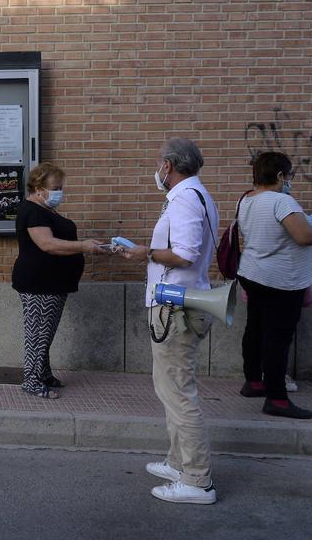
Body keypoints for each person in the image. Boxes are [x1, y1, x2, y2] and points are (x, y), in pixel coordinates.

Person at [120, 138, 219, 505]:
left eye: (160, 163)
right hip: (178, 303)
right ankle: (179, 463)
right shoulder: (196, 196)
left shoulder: (184, 199)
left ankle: (197, 480)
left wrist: (144, 252)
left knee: (178, 391)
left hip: (176, 306)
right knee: (170, 388)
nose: (157, 169)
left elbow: (186, 255)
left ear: (170, 165)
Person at [236, 152, 312, 419]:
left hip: (253, 275)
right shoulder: (282, 201)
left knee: (255, 330)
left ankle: (254, 382)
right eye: (289, 175)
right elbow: (304, 236)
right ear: (279, 176)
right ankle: (277, 399)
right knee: (277, 339)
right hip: (282, 282)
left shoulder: (246, 199)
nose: (289, 181)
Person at [11, 162, 106, 399]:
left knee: (46, 331)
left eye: (61, 187)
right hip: (39, 282)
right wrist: (83, 246)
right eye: (55, 187)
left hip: (52, 282)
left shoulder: (45, 210)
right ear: (38, 187)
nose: (59, 192)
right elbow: (48, 244)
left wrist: (85, 246)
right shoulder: (32, 210)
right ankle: (31, 380)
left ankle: (43, 373)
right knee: (38, 333)